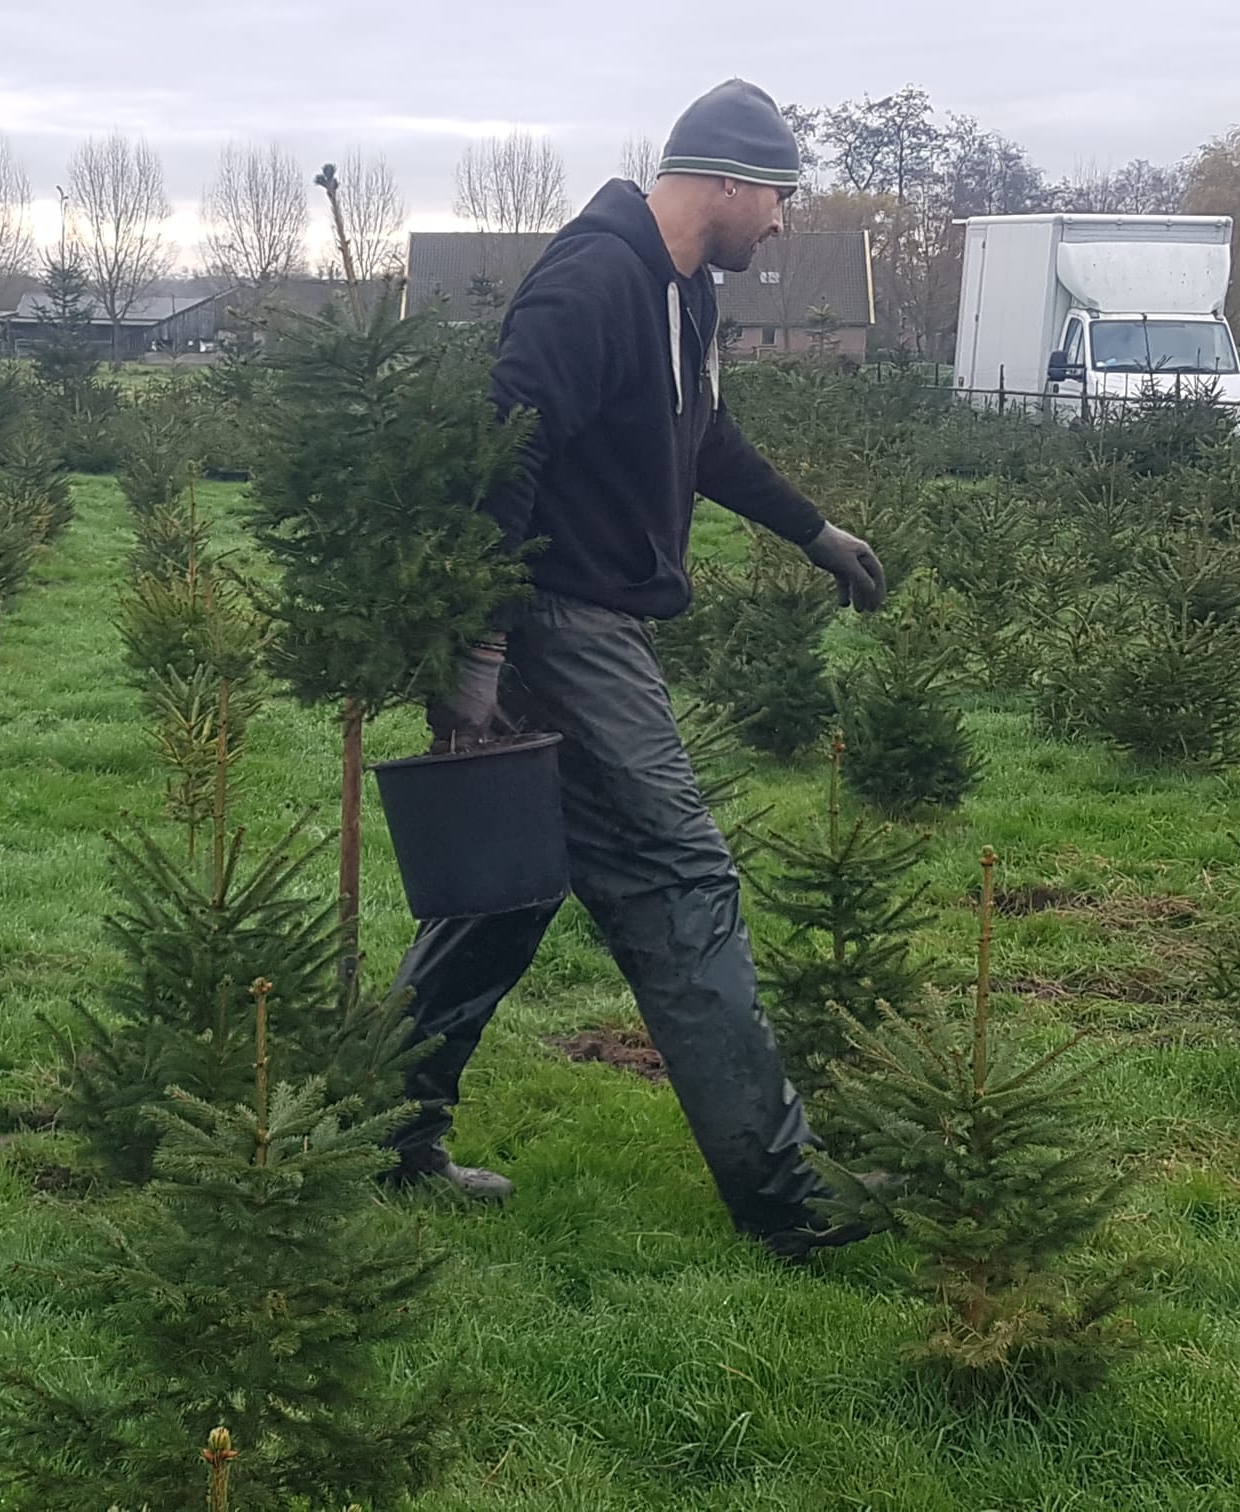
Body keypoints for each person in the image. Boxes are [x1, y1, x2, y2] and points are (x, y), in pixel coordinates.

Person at [384, 79, 889, 1263]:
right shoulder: (593, 279)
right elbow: (506, 451)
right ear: (719, 181)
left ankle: (384, 1130)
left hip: (588, 625)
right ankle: (789, 1200)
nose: (779, 223)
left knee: (504, 894)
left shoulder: (682, 295)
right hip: (561, 629)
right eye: (776, 197)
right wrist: (484, 646)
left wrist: (812, 530)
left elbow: (700, 434)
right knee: (679, 882)